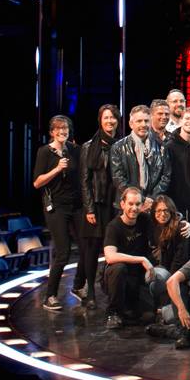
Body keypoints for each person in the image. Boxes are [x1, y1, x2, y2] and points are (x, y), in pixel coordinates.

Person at [33, 114, 81, 309]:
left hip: (75, 205)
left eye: (65, 128)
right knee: (63, 252)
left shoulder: (74, 150)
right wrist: (56, 169)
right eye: (59, 128)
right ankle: (50, 295)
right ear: (52, 132)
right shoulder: (45, 152)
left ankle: (79, 286)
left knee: (87, 245)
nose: (62, 131)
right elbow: (37, 182)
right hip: (56, 207)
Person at [76, 103, 120, 307]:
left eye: (113, 117)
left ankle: (113, 293)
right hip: (96, 204)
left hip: (115, 204)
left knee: (114, 247)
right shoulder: (88, 147)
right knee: (92, 251)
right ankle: (91, 293)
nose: (110, 121)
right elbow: (84, 180)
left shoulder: (122, 144)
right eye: (106, 118)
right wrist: (89, 209)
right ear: (100, 121)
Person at [100, 185, 157, 328]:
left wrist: (183, 222)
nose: (134, 208)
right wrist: (142, 259)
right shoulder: (113, 226)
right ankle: (112, 313)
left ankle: (129, 308)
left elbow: (165, 217)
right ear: (122, 204)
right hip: (118, 276)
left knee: (149, 316)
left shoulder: (144, 220)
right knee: (118, 268)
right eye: (130, 204)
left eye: (138, 204)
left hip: (137, 276)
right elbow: (110, 257)